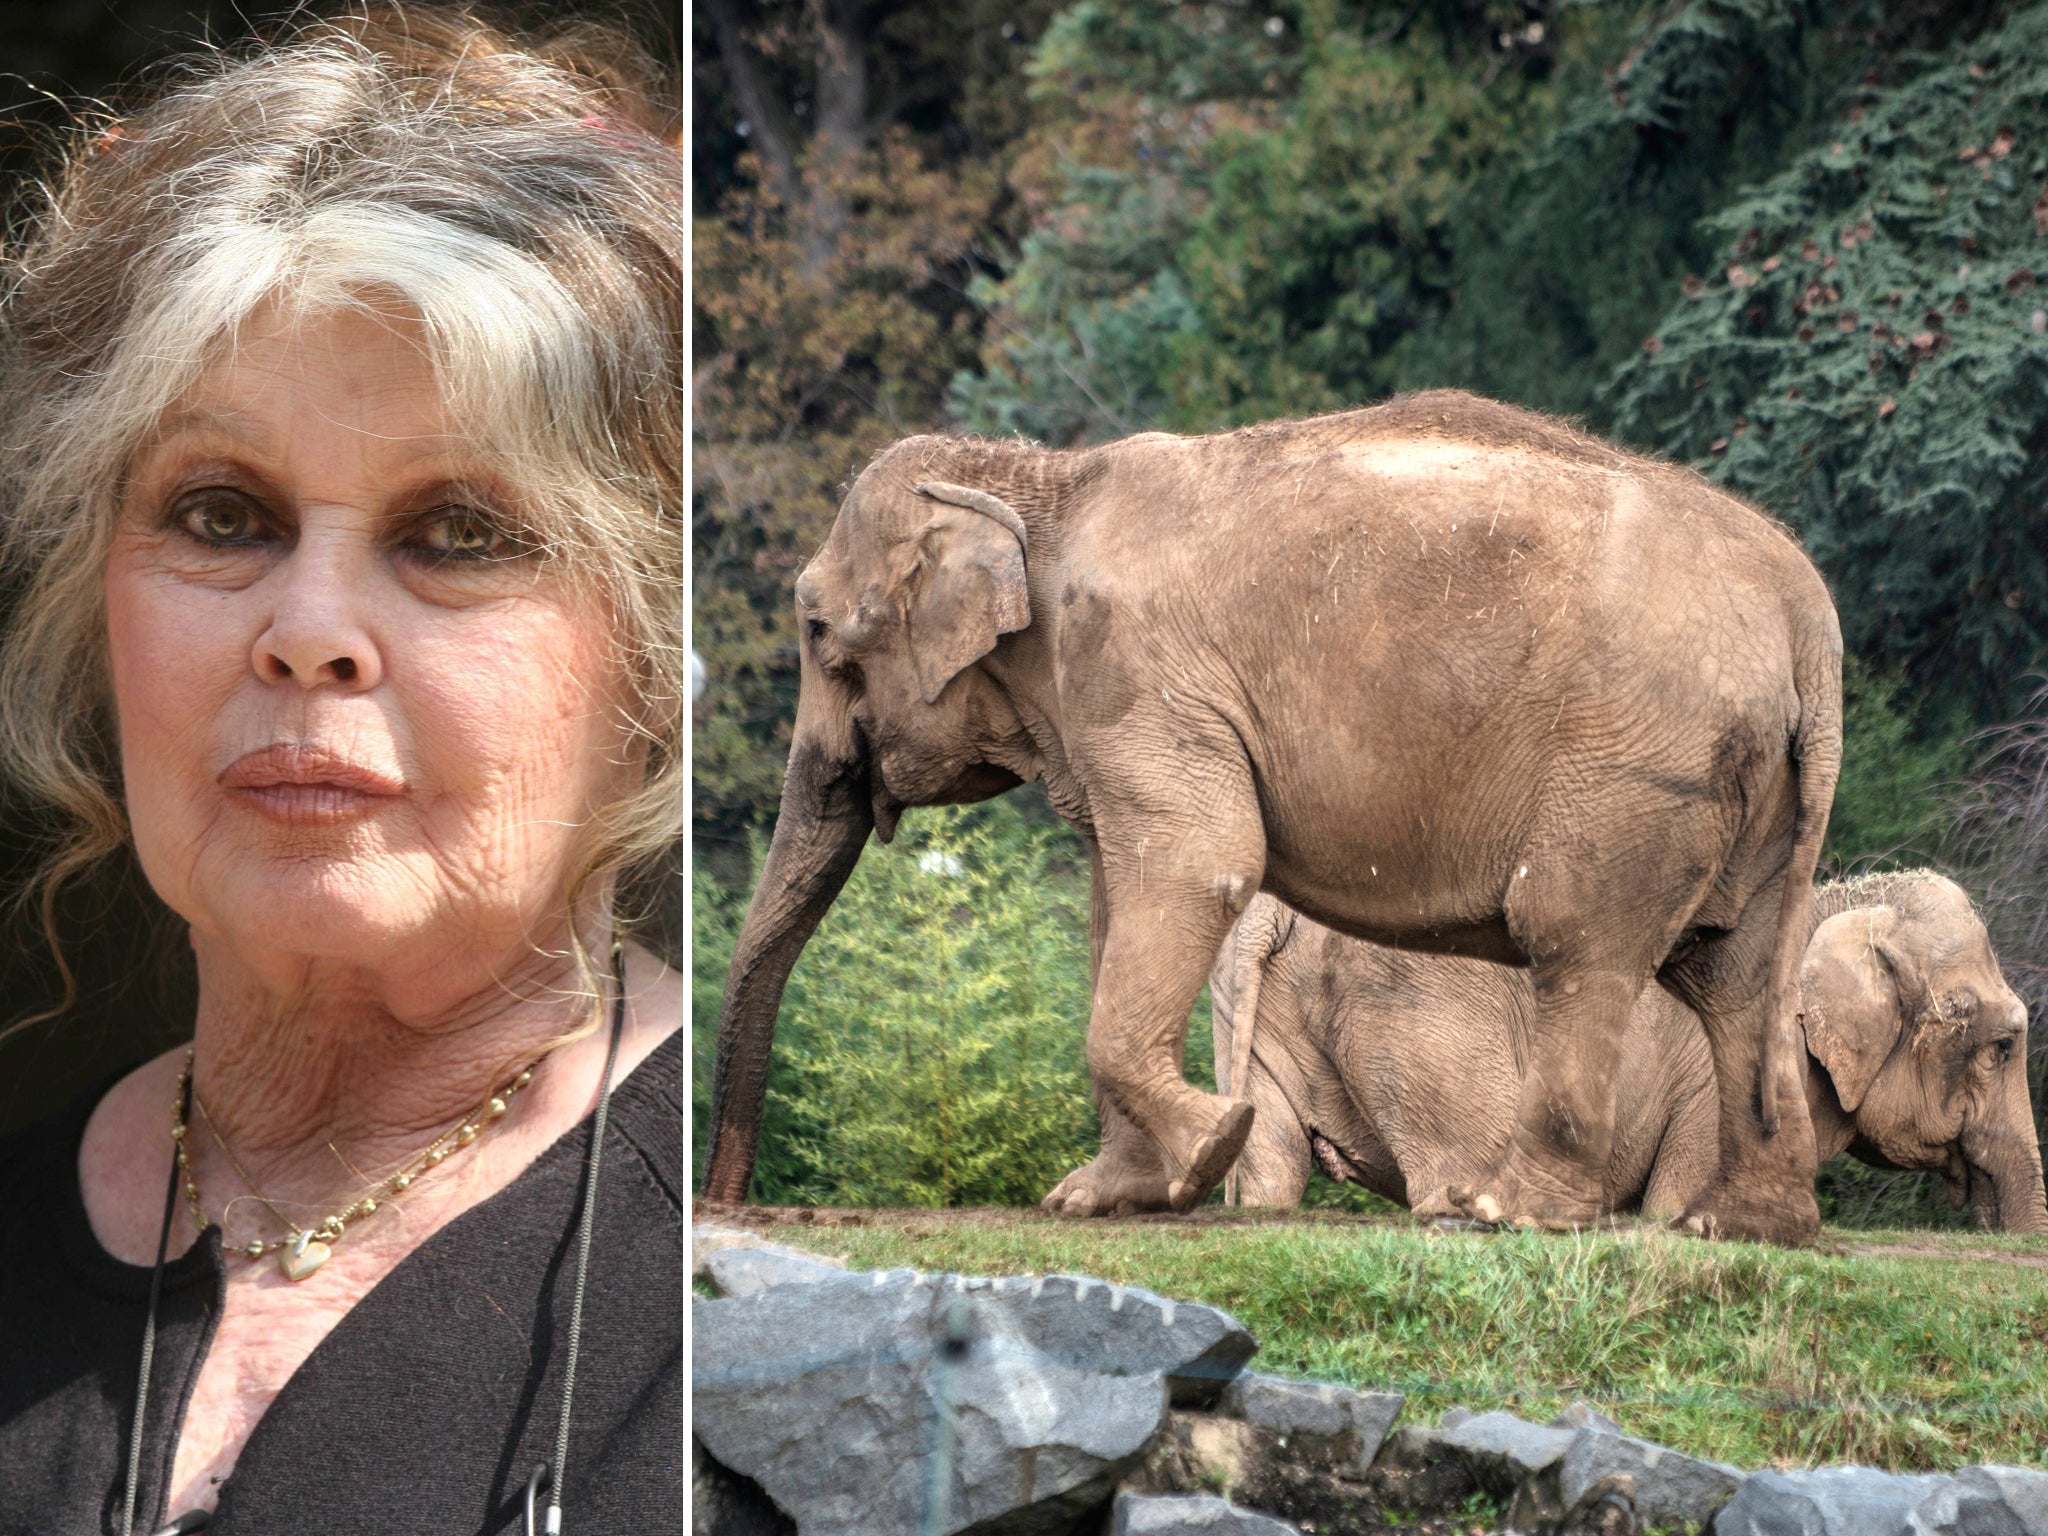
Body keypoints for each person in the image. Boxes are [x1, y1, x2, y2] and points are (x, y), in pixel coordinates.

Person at [0, 5, 683, 1531]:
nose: (310, 636)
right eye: (223, 514)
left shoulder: (722, 1274)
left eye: (460, 533)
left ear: (650, 650)